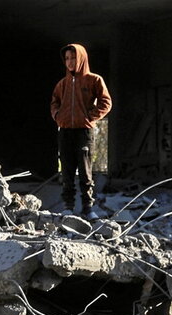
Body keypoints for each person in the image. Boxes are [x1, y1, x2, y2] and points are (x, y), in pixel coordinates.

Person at [50, 43, 112, 218]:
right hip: (65, 131)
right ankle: (68, 207)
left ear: (82, 58)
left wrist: (90, 117)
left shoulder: (94, 80)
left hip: (84, 131)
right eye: (67, 59)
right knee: (67, 171)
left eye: (73, 57)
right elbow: (54, 102)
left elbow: (106, 102)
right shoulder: (62, 84)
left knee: (85, 171)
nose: (70, 62)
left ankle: (88, 208)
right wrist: (57, 116)